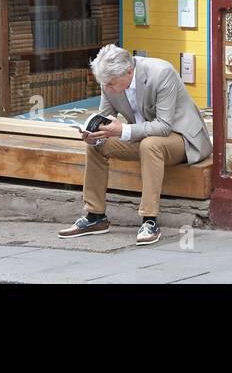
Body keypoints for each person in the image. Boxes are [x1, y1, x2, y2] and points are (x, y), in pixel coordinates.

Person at [58, 45, 212, 245]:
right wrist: (93, 133)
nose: (108, 89)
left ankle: (150, 220)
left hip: (182, 138)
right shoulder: (109, 81)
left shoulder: (161, 73)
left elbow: (164, 126)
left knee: (150, 145)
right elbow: (105, 117)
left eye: (111, 84)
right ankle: (95, 216)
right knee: (98, 144)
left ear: (129, 72)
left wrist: (123, 130)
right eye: (104, 84)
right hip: (143, 136)